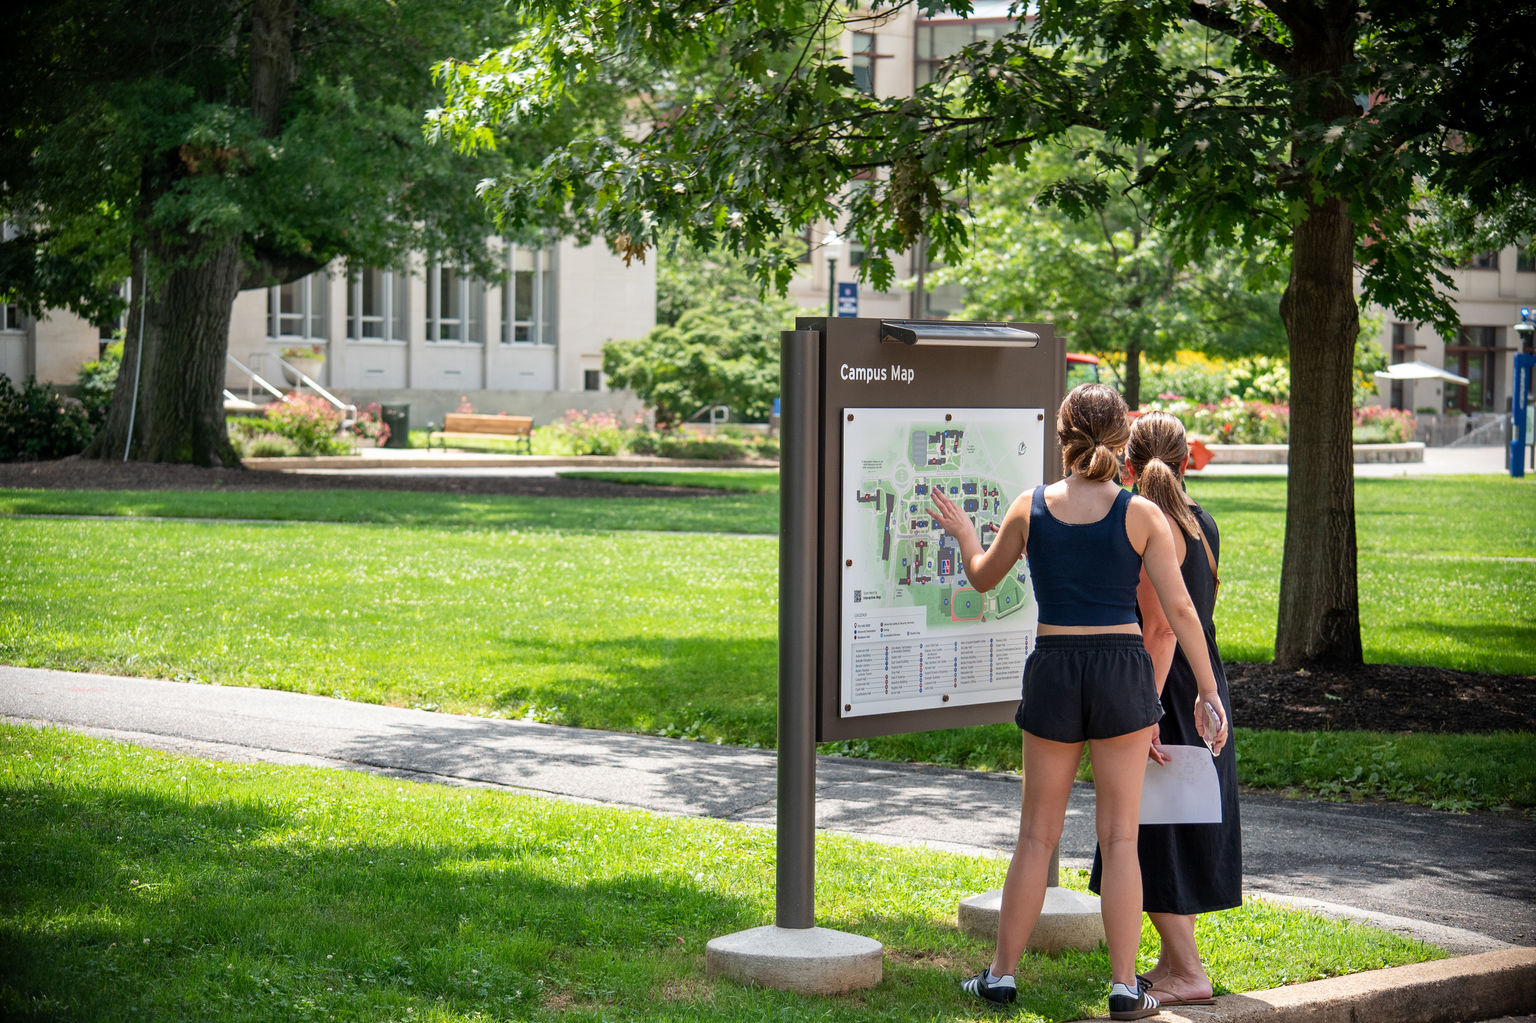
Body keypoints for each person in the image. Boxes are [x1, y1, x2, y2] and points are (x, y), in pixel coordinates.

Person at [929, 384, 1227, 1021]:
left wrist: (961, 533)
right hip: (1122, 670)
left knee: (1036, 836)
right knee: (1121, 838)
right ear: (1120, 440)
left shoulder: (1028, 507)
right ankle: (1125, 987)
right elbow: (1179, 612)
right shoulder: (1140, 514)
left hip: (1056, 667)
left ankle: (1001, 978)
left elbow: (982, 579)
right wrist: (1206, 691)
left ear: (1061, 436)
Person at [1087, 410, 1242, 1008]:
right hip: (1199, 688)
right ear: (1186, 463)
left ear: (1127, 463)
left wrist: (1144, 707)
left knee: (1149, 828)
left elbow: (1160, 630)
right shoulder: (1199, 523)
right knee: (1172, 820)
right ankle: (1172, 959)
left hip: (1164, 690)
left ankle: (1185, 969)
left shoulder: (1155, 528)